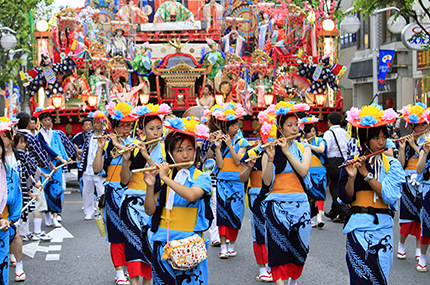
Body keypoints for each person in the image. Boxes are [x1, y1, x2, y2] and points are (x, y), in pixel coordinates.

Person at [338, 104, 404, 284]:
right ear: (365, 140)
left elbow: (390, 196)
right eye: (376, 138)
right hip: (358, 228)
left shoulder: (392, 165)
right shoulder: (351, 163)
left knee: (380, 279)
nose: (381, 142)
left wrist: (367, 175)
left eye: (384, 137)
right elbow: (345, 197)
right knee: (359, 278)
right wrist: (352, 177)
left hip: (382, 228)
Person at [144, 117, 212, 284]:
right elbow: (150, 210)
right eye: (179, 150)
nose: (185, 155)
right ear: (170, 153)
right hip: (163, 242)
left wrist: (165, 178)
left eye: (189, 149)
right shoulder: (164, 178)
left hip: (190, 244)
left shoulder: (201, 176)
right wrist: (150, 185)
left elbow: (191, 195)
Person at [261, 101, 312, 285]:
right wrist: (270, 159)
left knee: (300, 247)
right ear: (280, 128)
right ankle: (280, 281)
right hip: (276, 204)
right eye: (289, 125)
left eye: (296, 125)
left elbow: (304, 170)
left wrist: (288, 152)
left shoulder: (304, 147)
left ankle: (293, 280)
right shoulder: (270, 149)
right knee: (277, 246)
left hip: (300, 203)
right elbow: (267, 181)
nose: (293, 128)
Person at [119, 104, 170, 285]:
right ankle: (133, 282)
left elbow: (161, 176)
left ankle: (147, 282)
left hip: (152, 202)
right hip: (132, 203)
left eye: (158, 128)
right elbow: (124, 181)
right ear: (142, 131)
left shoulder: (166, 150)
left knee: (150, 244)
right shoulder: (133, 147)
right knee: (133, 245)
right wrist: (126, 161)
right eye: (151, 129)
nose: (156, 133)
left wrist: (147, 156)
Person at [93, 102, 137, 285]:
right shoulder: (107, 142)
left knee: (131, 231)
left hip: (132, 191)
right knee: (115, 233)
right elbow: (96, 168)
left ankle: (129, 268)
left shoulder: (136, 142)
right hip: (113, 191)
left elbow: (129, 155)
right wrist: (100, 147)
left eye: (128, 125)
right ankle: (119, 272)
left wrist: (116, 142)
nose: (126, 128)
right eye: (122, 125)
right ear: (115, 126)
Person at [208, 103, 249, 258]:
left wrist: (230, 145)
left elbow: (238, 161)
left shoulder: (242, 142)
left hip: (237, 181)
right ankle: (223, 247)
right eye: (233, 124)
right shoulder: (220, 142)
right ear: (226, 127)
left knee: (235, 213)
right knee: (223, 213)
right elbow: (219, 164)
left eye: (236, 124)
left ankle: (232, 244)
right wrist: (217, 147)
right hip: (222, 181)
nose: (236, 126)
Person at [239, 109, 274, 282]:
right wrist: (248, 167)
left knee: (277, 230)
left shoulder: (283, 152)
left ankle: (275, 264)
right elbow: (242, 178)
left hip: (277, 195)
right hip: (257, 195)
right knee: (259, 230)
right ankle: (262, 266)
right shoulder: (253, 152)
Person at [35, 107, 77, 228]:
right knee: (47, 191)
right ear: (41, 122)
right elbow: (47, 150)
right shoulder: (39, 136)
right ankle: (48, 215)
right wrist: (60, 158)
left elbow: (61, 148)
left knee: (57, 191)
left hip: (57, 167)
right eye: (45, 120)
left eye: (49, 120)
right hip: (45, 167)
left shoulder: (56, 134)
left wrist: (66, 158)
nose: (48, 122)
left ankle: (55, 216)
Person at [396, 103, 428, 261]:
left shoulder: (427, 141)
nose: (421, 127)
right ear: (413, 127)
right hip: (408, 179)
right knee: (407, 214)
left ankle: (417, 248)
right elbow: (401, 164)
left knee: (421, 215)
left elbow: (425, 158)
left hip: (423, 179)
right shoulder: (407, 140)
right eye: (418, 125)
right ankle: (401, 245)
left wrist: (415, 146)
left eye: (424, 124)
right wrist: (402, 148)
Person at [15, 111, 53, 241]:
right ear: (27, 123)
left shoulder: (14, 136)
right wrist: (48, 166)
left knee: (20, 207)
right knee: (38, 203)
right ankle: (37, 231)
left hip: (17, 179)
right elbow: (40, 155)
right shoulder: (29, 137)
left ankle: (23, 233)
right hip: (31, 177)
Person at [0, 121, 22, 284]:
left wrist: (12, 221)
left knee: (2, 266)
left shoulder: (10, 172)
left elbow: (16, 199)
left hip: (4, 226)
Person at [301, 116, 328, 227]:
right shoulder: (301, 142)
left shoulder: (319, 140)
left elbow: (321, 149)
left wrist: (308, 145)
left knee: (320, 194)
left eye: (313, 131)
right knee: (309, 195)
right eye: (309, 131)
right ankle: (310, 217)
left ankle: (320, 218)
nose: (312, 133)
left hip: (320, 171)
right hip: (308, 171)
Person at [80, 112, 107, 220]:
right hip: (88, 168)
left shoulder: (107, 135)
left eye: (97, 123)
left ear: (102, 124)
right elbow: (85, 150)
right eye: (94, 123)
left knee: (101, 190)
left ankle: (102, 210)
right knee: (87, 191)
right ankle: (88, 211)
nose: (95, 125)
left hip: (100, 168)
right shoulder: (89, 135)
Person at [323, 111, 349, 222]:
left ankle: (344, 212)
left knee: (334, 187)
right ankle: (334, 211)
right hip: (344, 159)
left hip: (333, 161)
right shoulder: (345, 132)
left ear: (329, 121)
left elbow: (325, 148)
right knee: (340, 184)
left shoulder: (329, 133)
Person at [416, 132, 430, 272]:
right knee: (426, 224)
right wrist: (425, 153)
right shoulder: (426, 144)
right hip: (428, 189)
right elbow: (419, 169)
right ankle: (423, 257)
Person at [73, 117, 93, 198]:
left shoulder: (95, 135)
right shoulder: (78, 136)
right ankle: (85, 201)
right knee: (82, 182)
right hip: (82, 163)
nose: (88, 126)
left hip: (93, 162)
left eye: (89, 124)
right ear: (82, 126)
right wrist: (85, 152)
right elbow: (75, 149)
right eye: (86, 125)